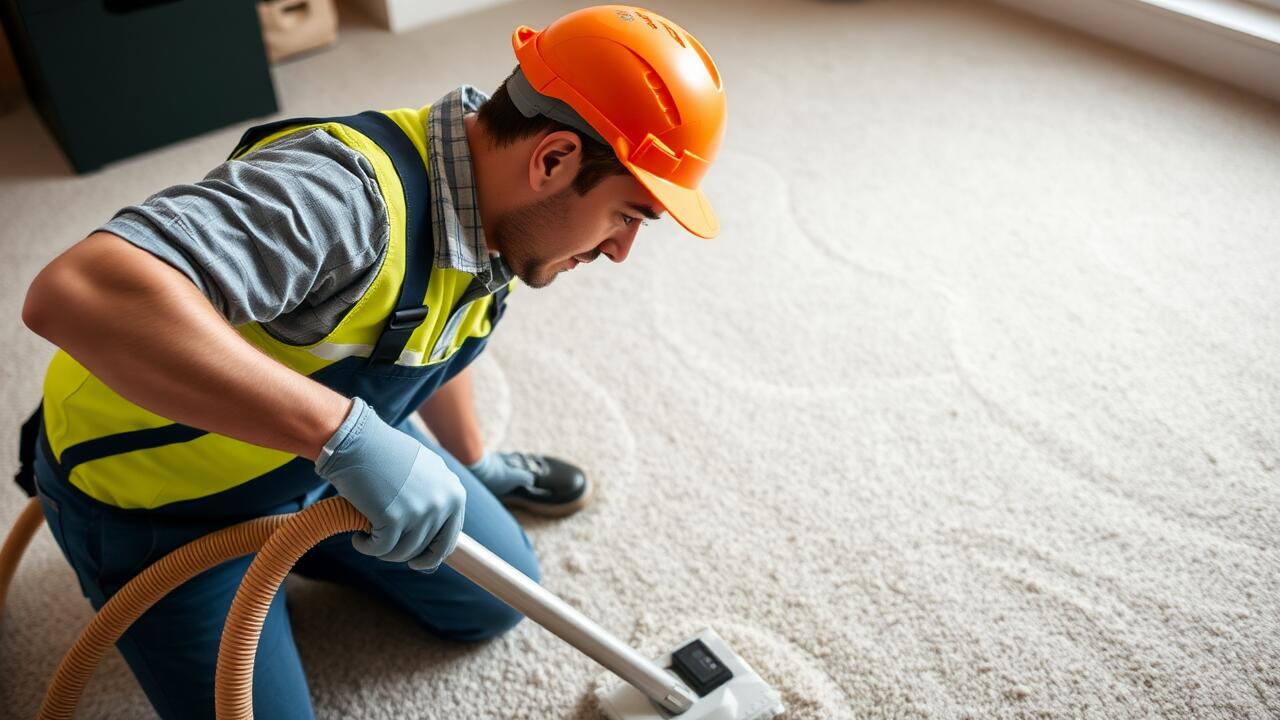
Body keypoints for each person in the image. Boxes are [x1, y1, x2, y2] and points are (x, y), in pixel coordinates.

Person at [16, 5, 725, 718]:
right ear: (553, 159)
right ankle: (247, 560)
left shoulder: (498, 204)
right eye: (628, 215)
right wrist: (343, 437)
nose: (621, 250)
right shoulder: (341, 197)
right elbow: (79, 293)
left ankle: (328, 529)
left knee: (495, 604)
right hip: (166, 509)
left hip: (324, 462)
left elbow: (439, 325)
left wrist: (467, 460)